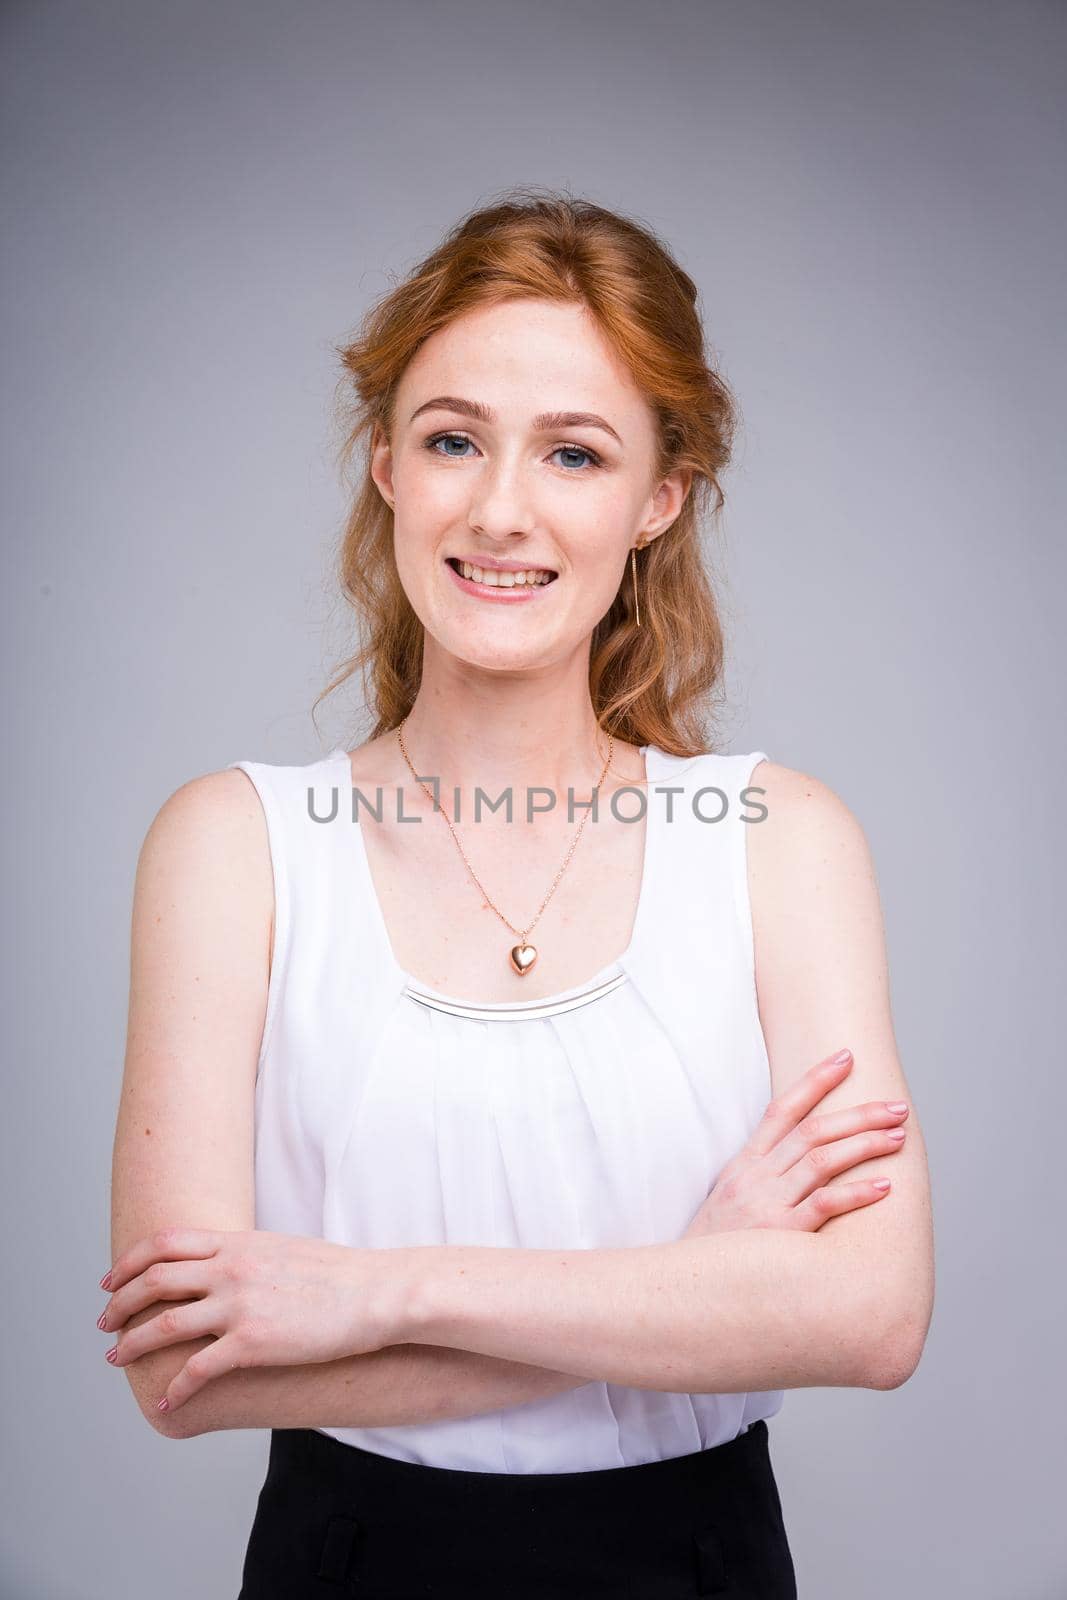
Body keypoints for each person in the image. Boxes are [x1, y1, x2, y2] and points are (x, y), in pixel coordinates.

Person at [101, 190, 934, 1598]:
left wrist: (380, 1292)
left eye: (573, 452)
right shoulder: (232, 845)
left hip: (694, 1565)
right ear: (384, 466)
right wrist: (689, 1289)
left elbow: (869, 1317)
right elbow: (182, 1366)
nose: (501, 508)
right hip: (352, 1563)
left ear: (658, 497)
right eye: (452, 440)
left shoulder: (779, 839)